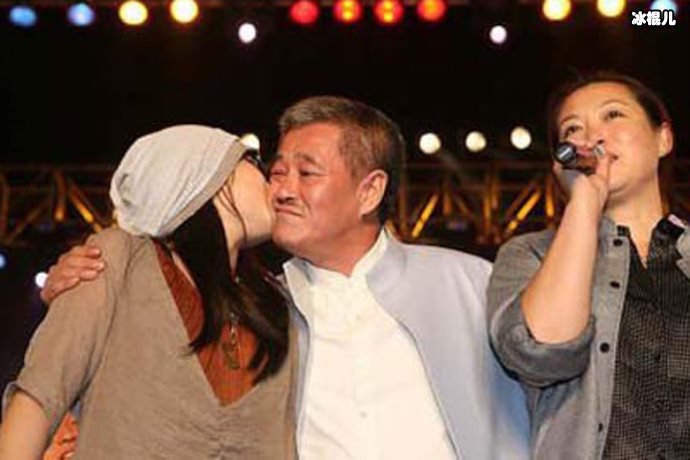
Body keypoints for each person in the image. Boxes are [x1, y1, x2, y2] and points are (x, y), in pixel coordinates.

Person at [38, 96, 530, 459]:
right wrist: (88, 289)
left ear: (369, 191)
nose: (282, 190)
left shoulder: (468, 283)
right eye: (276, 172)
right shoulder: (256, 309)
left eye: (306, 174)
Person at [0, 125, 293, 459]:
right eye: (251, 162)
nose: (271, 178)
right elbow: (41, 394)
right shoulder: (120, 259)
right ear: (206, 176)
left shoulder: (280, 305)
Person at [487, 72, 689, 459]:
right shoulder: (532, 253)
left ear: (663, 139)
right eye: (573, 129)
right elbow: (541, 352)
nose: (592, 137)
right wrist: (584, 200)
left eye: (613, 115)